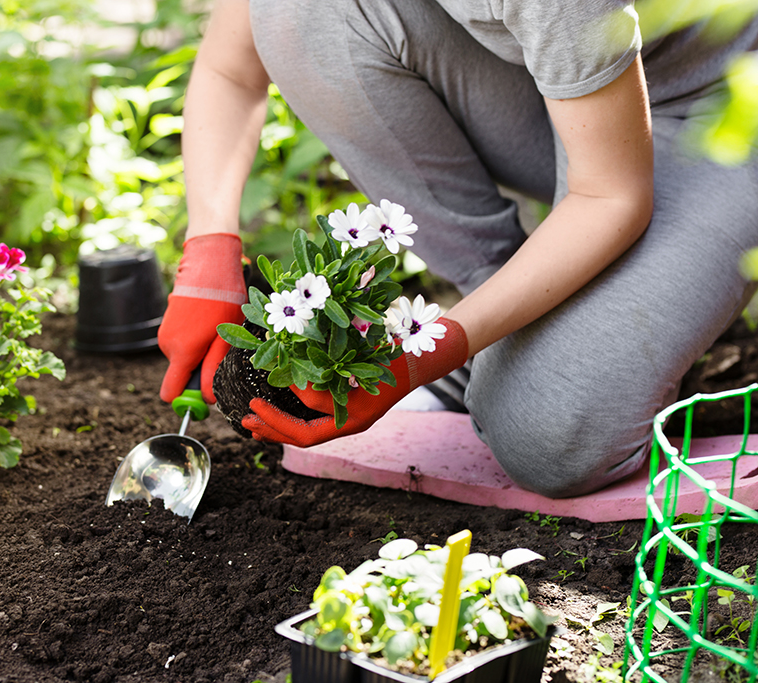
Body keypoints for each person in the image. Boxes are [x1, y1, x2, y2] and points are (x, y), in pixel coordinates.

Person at [157, 0, 758, 498]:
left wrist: (419, 359)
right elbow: (232, 68)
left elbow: (609, 196)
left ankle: (565, 348)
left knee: (546, 438)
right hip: (565, 94)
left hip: (721, 105)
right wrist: (208, 252)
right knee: (305, 11)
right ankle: (508, 328)